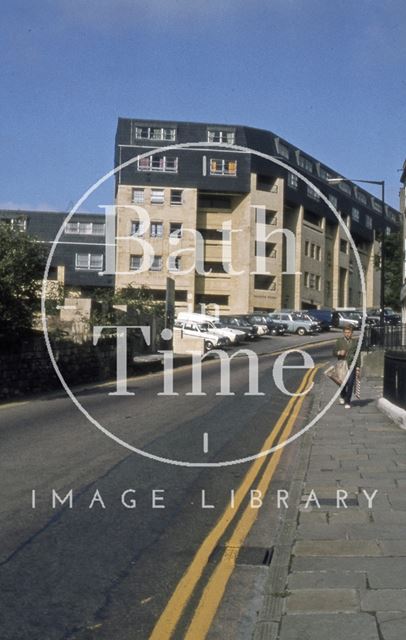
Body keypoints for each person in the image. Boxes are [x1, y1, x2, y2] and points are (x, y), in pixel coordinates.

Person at [333, 324, 360, 409]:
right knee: (343, 383)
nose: (347, 334)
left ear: (352, 333)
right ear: (343, 333)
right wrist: (339, 353)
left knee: (351, 383)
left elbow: (357, 355)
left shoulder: (355, 342)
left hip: (351, 365)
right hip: (342, 365)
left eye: (349, 332)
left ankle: (348, 401)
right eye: (346, 332)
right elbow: (333, 352)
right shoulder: (339, 341)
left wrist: (358, 366)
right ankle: (342, 395)